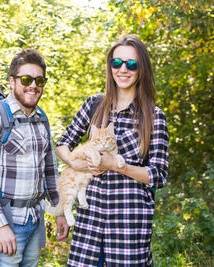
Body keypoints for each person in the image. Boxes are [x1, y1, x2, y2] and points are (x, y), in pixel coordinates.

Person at [56, 35, 169, 266]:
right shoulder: (94, 105)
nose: (123, 69)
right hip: (90, 223)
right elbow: (63, 144)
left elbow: (157, 175)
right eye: (117, 63)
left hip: (128, 225)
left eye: (132, 64)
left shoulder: (153, 116)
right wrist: (74, 162)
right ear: (110, 67)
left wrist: (116, 166)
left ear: (142, 69)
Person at [0, 48, 69, 267]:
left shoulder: (42, 118)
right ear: (12, 81)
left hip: (34, 220)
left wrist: (59, 210)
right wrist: (0, 225)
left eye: (39, 80)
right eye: (26, 79)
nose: (33, 85)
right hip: (5, 222)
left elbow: (50, 170)